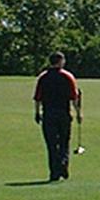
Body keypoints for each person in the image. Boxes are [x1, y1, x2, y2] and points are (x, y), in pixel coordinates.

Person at [32, 51, 82, 181]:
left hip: (48, 114)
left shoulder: (43, 77)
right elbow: (74, 98)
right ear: (60, 61)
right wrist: (78, 113)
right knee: (64, 142)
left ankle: (54, 172)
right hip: (63, 114)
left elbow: (38, 98)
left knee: (51, 144)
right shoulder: (67, 76)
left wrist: (37, 113)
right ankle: (63, 166)